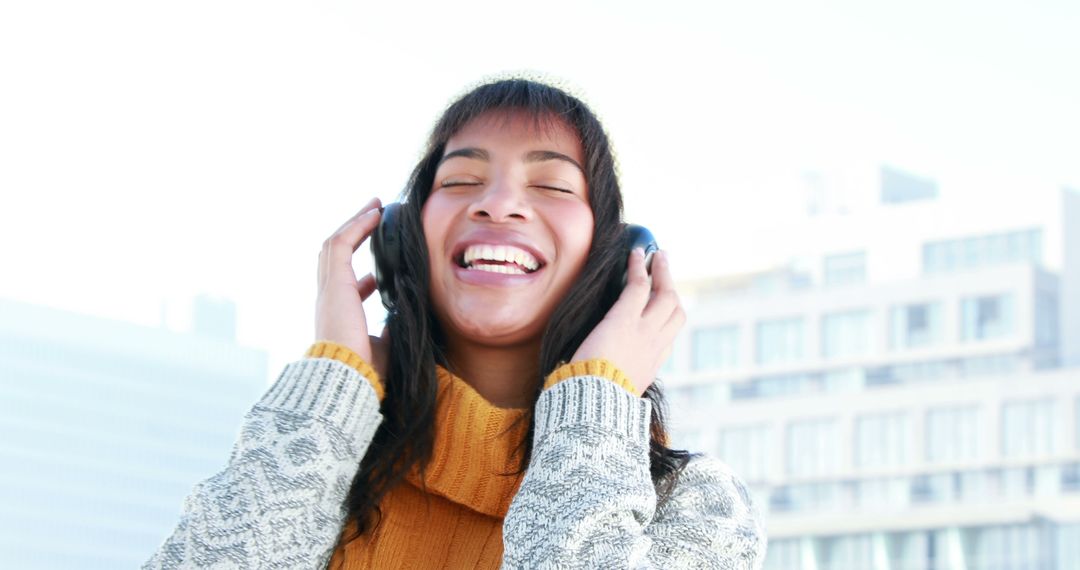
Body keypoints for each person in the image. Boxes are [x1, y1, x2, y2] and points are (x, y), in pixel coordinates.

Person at [143, 78, 766, 569]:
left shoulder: (691, 504)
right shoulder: (312, 460)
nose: (497, 202)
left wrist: (596, 401)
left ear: (613, 260)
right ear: (401, 242)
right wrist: (332, 386)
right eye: (462, 179)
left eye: (551, 185)